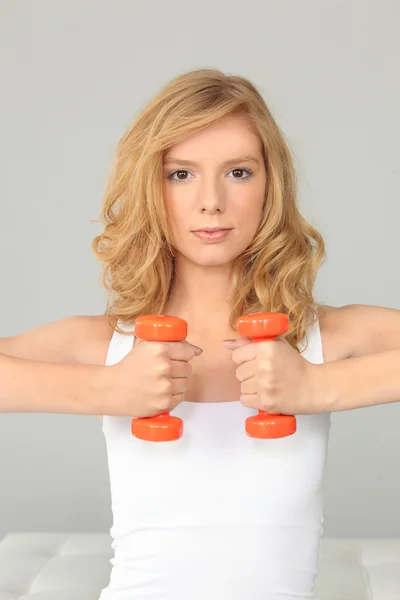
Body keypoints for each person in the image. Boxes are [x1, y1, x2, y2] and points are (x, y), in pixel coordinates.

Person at [1, 68, 400, 599]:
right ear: (151, 187)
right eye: (180, 174)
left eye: (238, 172)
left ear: (270, 185)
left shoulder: (318, 338)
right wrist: (106, 391)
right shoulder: (109, 346)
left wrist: (316, 387)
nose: (211, 201)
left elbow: (319, 378)